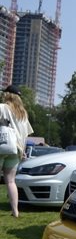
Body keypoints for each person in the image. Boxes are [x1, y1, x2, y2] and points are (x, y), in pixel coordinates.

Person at [0, 85, 33, 217]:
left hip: (1, 146)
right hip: (16, 150)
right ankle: (15, 211)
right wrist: (23, 151)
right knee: (11, 181)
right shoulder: (23, 114)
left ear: (8, 95)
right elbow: (26, 135)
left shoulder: (2, 107)